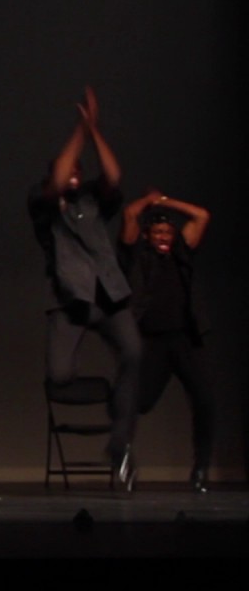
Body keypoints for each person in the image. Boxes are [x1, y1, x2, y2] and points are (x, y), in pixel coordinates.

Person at [28, 86, 142, 490]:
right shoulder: (42, 207)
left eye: (79, 169)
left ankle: (119, 444)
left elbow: (114, 176)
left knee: (134, 352)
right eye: (69, 170)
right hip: (69, 301)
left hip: (109, 295)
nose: (75, 173)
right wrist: (80, 127)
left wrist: (95, 131)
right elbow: (58, 176)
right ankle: (114, 410)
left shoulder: (94, 200)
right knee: (59, 376)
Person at [119, 189, 213, 492]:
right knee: (139, 402)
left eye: (168, 231)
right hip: (152, 343)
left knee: (205, 401)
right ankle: (126, 457)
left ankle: (200, 469)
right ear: (148, 235)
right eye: (158, 231)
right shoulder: (137, 255)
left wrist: (165, 202)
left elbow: (201, 216)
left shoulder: (182, 252)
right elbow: (130, 215)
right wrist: (148, 201)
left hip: (185, 340)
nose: (163, 236)